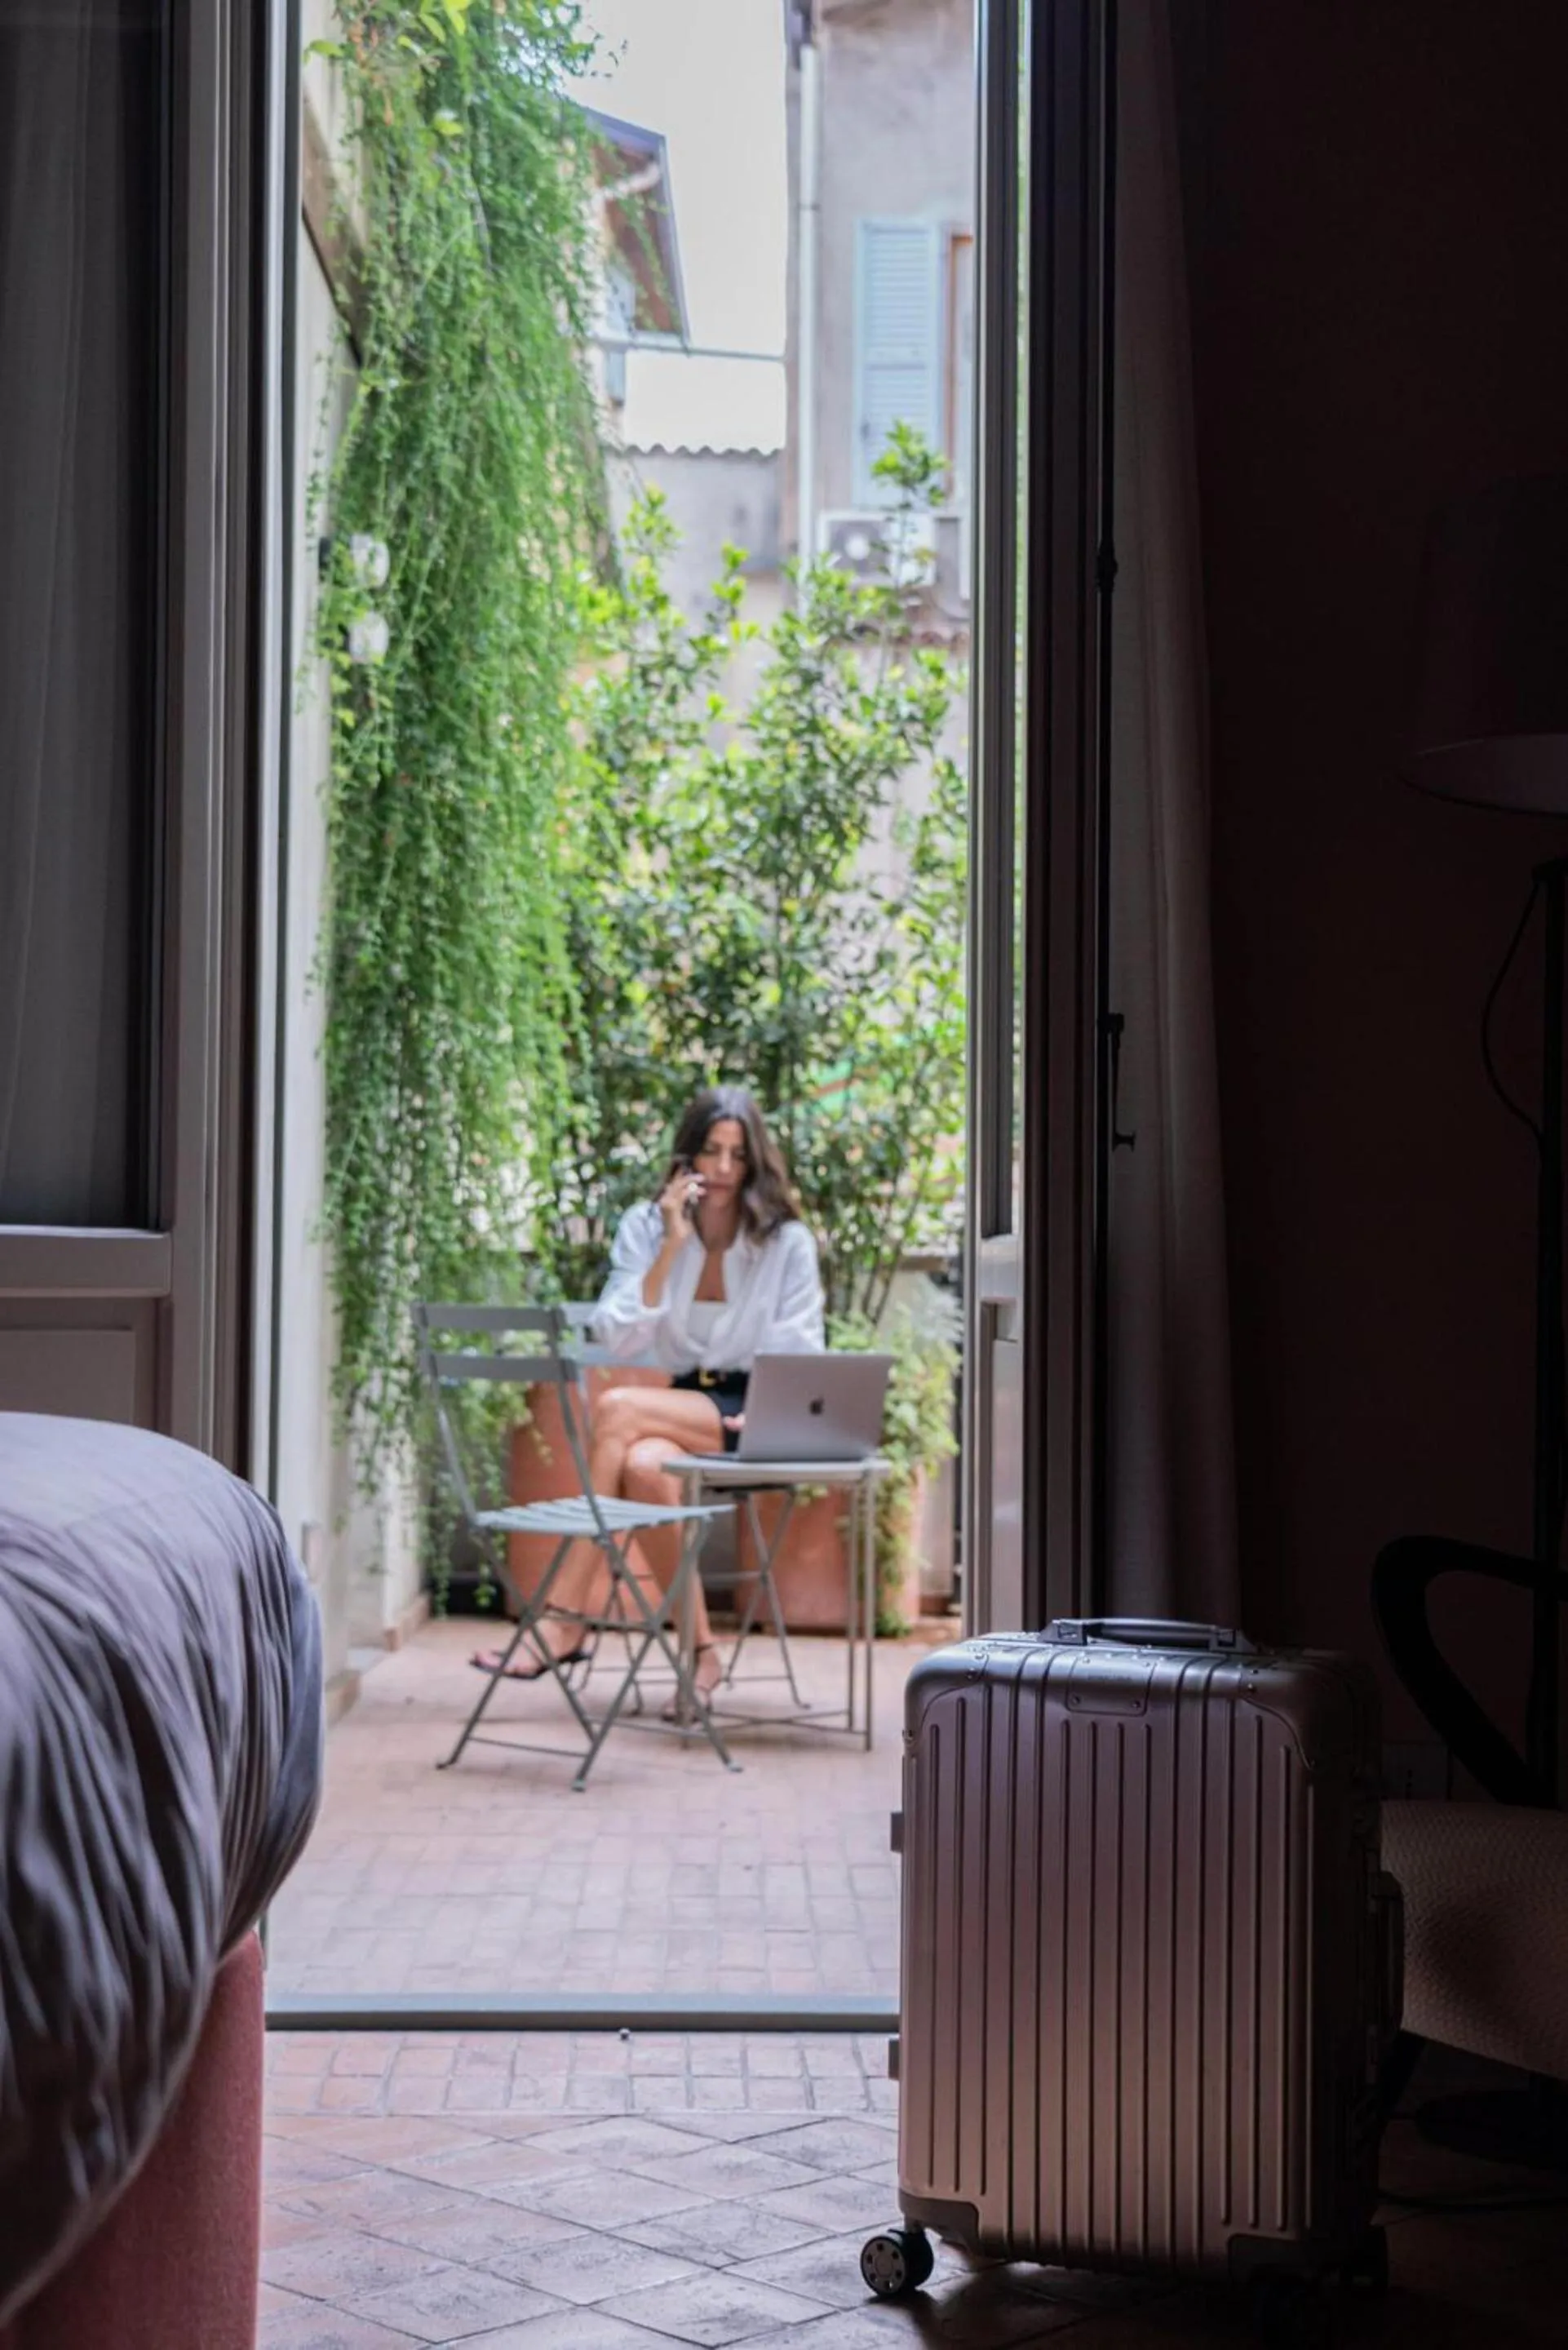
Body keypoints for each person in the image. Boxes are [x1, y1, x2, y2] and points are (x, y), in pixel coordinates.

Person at [472, 1085, 825, 1702]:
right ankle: (703, 1655)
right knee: (640, 1465)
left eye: (737, 1156)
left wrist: (768, 1412)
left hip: (751, 1409)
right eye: (710, 1151)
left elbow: (801, 1347)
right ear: (686, 1156)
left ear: (754, 1163)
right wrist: (671, 1246)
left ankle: (563, 1620)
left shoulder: (783, 1241)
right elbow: (618, 1335)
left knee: (617, 1409)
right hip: (687, 1400)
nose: (721, 1169)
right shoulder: (649, 1224)